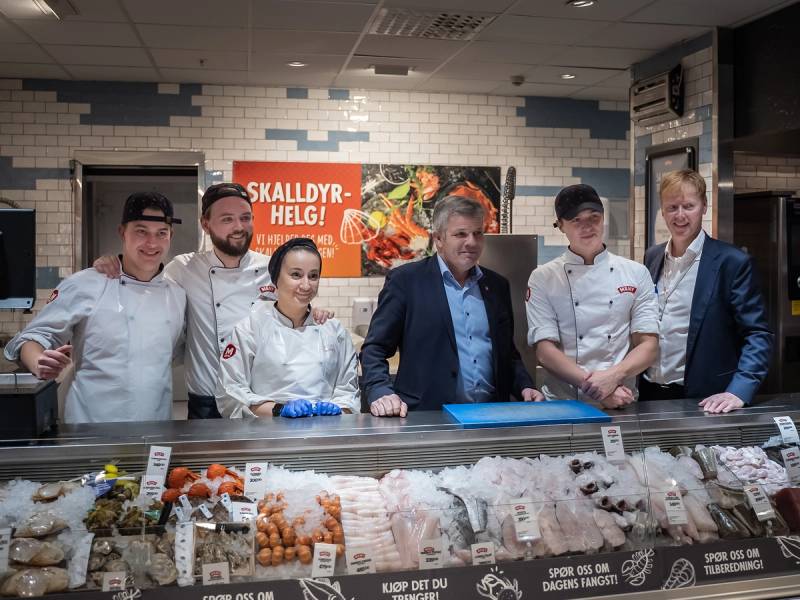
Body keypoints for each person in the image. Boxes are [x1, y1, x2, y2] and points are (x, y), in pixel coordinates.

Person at [94, 182, 331, 419]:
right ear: (205, 224)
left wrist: (314, 311)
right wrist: (113, 263)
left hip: (260, 402)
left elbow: (295, 312)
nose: (238, 227)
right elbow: (142, 285)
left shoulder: (273, 268)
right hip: (205, 402)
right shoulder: (184, 268)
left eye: (245, 217)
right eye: (227, 219)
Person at [4, 192, 186, 423]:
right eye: (141, 231)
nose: (152, 243)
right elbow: (34, 337)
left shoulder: (177, 295)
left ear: (171, 235)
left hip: (156, 426)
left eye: (161, 233)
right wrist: (38, 361)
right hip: (91, 426)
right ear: (122, 232)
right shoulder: (85, 283)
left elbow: (179, 352)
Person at [361, 195, 542, 417]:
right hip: (428, 418)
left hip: (491, 417)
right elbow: (374, 349)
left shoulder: (497, 286)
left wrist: (525, 385)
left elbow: (507, 354)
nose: (472, 242)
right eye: (460, 234)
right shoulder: (406, 282)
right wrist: (380, 390)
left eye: (478, 233)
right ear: (438, 239)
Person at [640, 169, 773, 413]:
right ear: (662, 209)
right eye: (672, 207)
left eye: (688, 206)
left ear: (704, 206)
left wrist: (738, 390)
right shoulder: (652, 256)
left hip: (705, 398)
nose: (680, 215)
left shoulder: (732, 261)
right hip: (648, 393)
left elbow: (757, 333)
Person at [526, 184, 658, 408]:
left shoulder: (635, 273)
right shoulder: (543, 277)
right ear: (561, 226)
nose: (587, 226)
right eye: (576, 220)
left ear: (603, 218)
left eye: (593, 217)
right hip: (564, 405)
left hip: (621, 401)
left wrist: (614, 377)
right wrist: (599, 389)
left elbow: (649, 345)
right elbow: (545, 351)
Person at [215, 238, 359, 418]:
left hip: (324, 434)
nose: (306, 285)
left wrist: (338, 410)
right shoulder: (251, 328)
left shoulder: (333, 330)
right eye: (296, 275)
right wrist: (279, 409)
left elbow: (348, 391)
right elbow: (230, 392)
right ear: (276, 279)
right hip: (266, 435)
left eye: (313, 276)